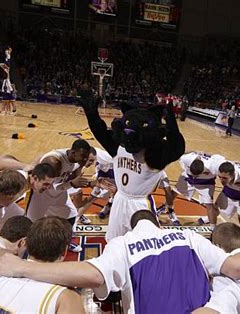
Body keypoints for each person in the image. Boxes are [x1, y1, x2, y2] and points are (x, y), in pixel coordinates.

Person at [0, 210, 240, 313]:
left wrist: (23, 267)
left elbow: (94, 278)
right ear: (157, 224)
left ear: (132, 227)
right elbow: (237, 268)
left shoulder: (124, 243)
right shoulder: (188, 237)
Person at [79, 90, 185, 241]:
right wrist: (91, 114)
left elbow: (177, 148)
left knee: (145, 246)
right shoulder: (119, 146)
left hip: (140, 203)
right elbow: (100, 132)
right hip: (120, 199)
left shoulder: (154, 155)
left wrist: (172, 124)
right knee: (113, 240)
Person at [26, 140, 91, 251]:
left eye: (86, 157)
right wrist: (71, 184)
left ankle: (66, 242)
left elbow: (73, 178)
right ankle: (31, 247)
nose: (84, 159)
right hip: (43, 193)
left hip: (59, 191)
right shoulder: (54, 161)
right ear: (73, 152)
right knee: (32, 223)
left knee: (71, 214)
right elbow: (51, 186)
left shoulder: (76, 160)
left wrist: (82, 175)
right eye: (83, 156)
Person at [176, 151, 226, 229]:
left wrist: (208, 154)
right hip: (189, 179)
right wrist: (195, 152)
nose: (196, 177)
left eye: (197, 175)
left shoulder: (213, 165)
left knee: (210, 205)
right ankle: (168, 209)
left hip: (206, 184)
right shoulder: (186, 159)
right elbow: (179, 152)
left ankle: (213, 229)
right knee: (174, 192)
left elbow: (222, 161)